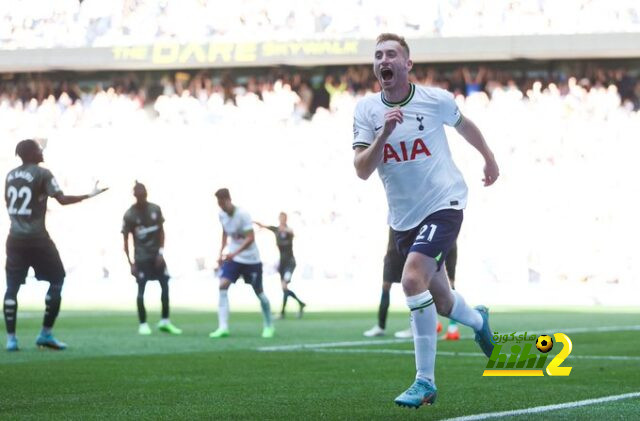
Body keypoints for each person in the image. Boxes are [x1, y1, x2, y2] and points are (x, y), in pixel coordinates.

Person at [352, 33, 499, 408]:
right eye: (378, 55)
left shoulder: (435, 100)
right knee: (444, 301)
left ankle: (424, 382)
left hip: (444, 202)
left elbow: (465, 125)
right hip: (403, 218)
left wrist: (489, 158)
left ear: (407, 64)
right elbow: (362, 170)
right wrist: (384, 133)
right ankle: (479, 322)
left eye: (391, 54)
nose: (383, 60)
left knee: (412, 278)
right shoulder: (367, 111)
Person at [3, 139, 107, 351]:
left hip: (14, 239)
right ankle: (45, 334)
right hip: (38, 239)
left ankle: (11, 339)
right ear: (31, 153)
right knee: (58, 279)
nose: (42, 151)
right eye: (38, 149)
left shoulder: (10, 175)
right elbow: (62, 199)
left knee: (12, 287)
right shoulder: (43, 174)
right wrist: (89, 195)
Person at [364, 229, 460, 340]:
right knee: (389, 285)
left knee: (428, 283)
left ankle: (451, 327)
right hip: (395, 250)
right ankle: (381, 326)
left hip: (432, 244)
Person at [209, 188, 274, 339]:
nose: (221, 206)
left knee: (259, 293)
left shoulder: (243, 214)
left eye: (222, 203)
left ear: (228, 200)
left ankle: (269, 326)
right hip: (234, 259)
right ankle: (223, 327)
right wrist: (221, 252)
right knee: (222, 285)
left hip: (251, 259)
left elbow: (250, 237)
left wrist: (234, 253)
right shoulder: (222, 215)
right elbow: (225, 232)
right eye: (218, 203)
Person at [122, 182, 182, 336]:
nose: (142, 197)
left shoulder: (155, 209)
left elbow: (162, 232)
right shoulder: (129, 214)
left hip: (157, 257)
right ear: (135, 195)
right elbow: (125, 240)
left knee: (165, 286)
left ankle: (165, 321)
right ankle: (143, 324)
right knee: (141, 290)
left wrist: (161, 252)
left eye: (144, 194)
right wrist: (131, 263)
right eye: (139, 194)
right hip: (141, 258)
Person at [255, 212, 306, 319]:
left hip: (290, 263)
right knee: (284, 288)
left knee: (284, 286)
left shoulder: (288, 231)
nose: (282, 220)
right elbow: (265, 226)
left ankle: (283, 312)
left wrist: (285, 230)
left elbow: (293, 233)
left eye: (284, 218)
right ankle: (299, 305)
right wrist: (255, 222)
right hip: (282, 263)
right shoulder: (276, 230)